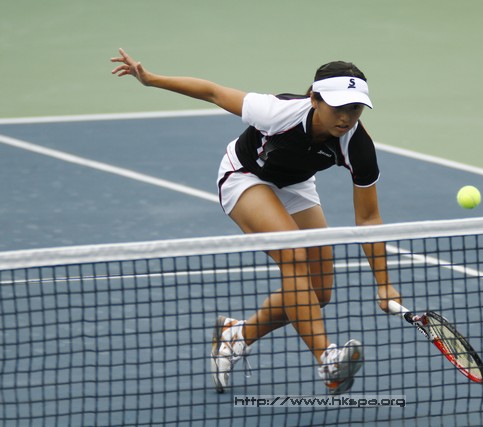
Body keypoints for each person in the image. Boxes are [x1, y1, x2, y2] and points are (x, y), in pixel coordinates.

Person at [110, 48, 402, 395]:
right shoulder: (276, 112)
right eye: (338, 107)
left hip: (295, 184)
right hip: (245, 176)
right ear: (314, 99)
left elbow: (368, 217)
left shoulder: (358, 146)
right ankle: (327, 360)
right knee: (293, 256)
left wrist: (384, 283)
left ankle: (236, 336)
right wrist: (150, 79)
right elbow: (213, 92)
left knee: (319, 291)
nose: (346, 117)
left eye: (355, 108)